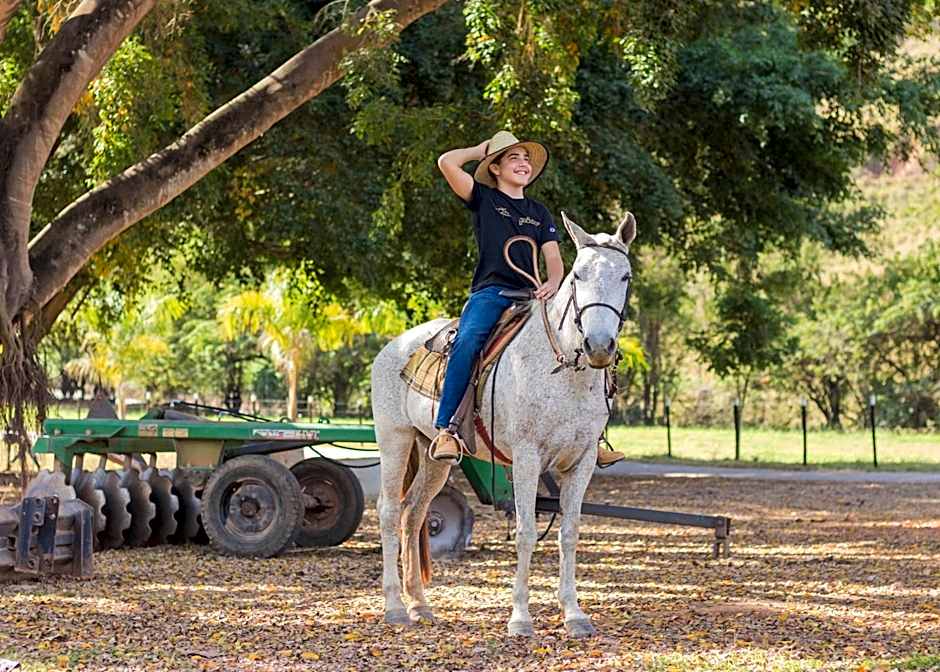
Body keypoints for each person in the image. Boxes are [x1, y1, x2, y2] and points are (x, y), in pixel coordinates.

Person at [430, 130, 625, 468]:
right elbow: (446, 162)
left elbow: (553, 258)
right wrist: (481, 149)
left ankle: (594, 435)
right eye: (513, 158)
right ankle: (447, 428)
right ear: (495, 168)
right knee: (469, 340)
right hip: (492, 293)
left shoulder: (540, 212)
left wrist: (553, 281)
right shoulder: (483, 198)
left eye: (525, 159)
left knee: (582, 339)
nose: (523, 164)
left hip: (532, 294)